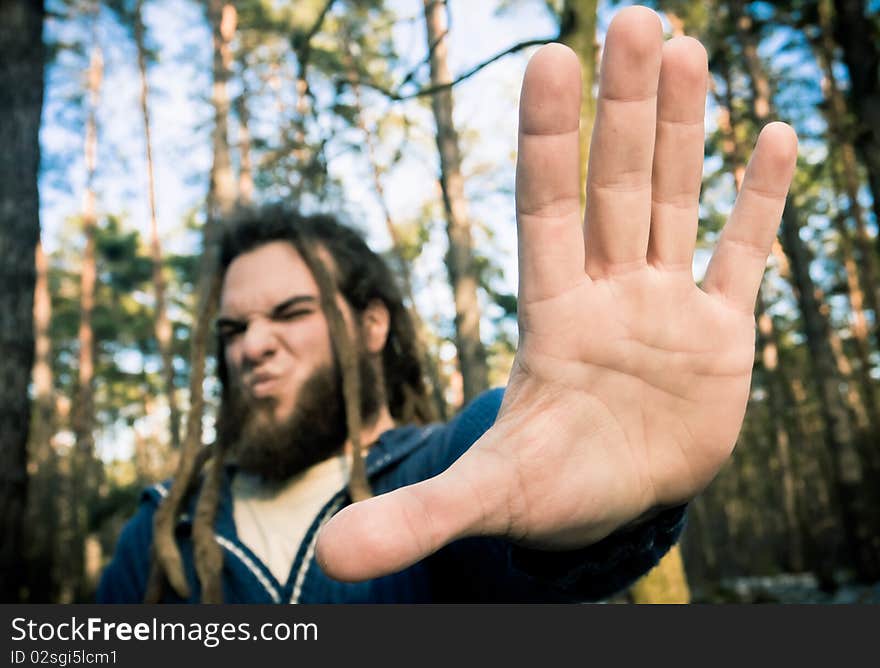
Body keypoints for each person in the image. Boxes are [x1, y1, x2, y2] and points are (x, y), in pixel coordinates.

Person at [96, 5, 797, 603]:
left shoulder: (448, 470)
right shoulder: (164, 531)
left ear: (372, 325)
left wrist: (607, 517)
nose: (252, 345)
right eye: (234, 327)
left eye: (290, 313)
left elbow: (510, 472)